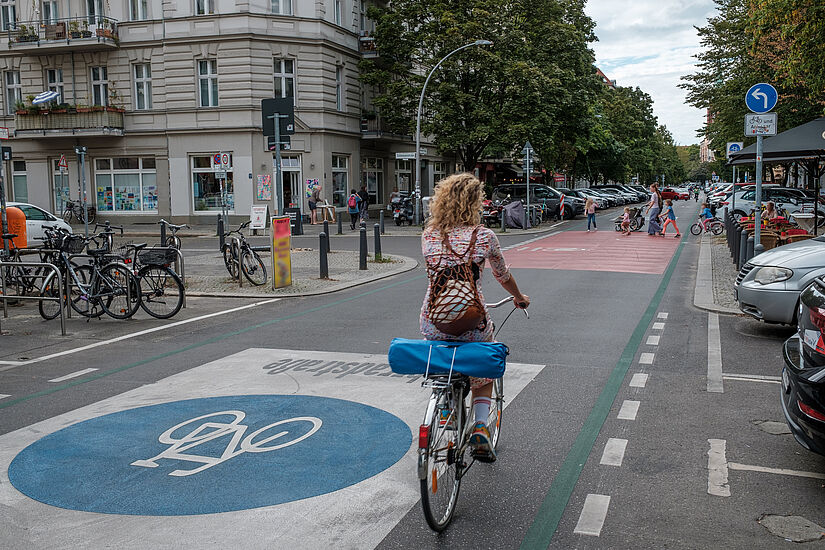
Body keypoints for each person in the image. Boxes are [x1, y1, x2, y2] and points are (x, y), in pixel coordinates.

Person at [421, 173, 529, 458]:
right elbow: (502, 275)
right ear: (475, 203)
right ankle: (481, 426)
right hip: (473, 319)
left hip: (434, 318)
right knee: (484, 370)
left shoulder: (429, 235)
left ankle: (445, 410)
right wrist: (519, 297)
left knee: (444, 358)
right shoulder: (484, 236)